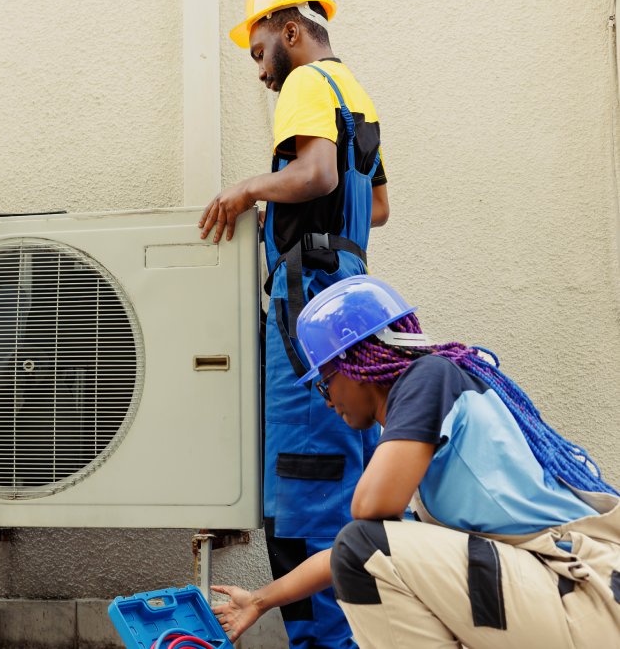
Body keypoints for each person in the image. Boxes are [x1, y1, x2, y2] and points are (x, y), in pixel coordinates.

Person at [212, 275, 620, 648]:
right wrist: (258, 601)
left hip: (581, 591)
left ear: (354, 364)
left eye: (324, 381)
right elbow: (343, 553)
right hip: (564, 589)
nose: (327, 400)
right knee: (369, 549)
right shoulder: (442, 465)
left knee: (366, 547)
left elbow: (364, 519)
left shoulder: (428, 377)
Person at [199, 0, 390, 647]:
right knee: (349, 480)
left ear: (290, 31)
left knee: (304, 484)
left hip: (310, 296)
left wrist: (249, 187)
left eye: (257, 53)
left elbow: (317, 175)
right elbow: (380, 207)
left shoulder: (308, 81)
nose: (259, 71)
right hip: (354, 296)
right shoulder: (355, 90)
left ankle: (326, 643)